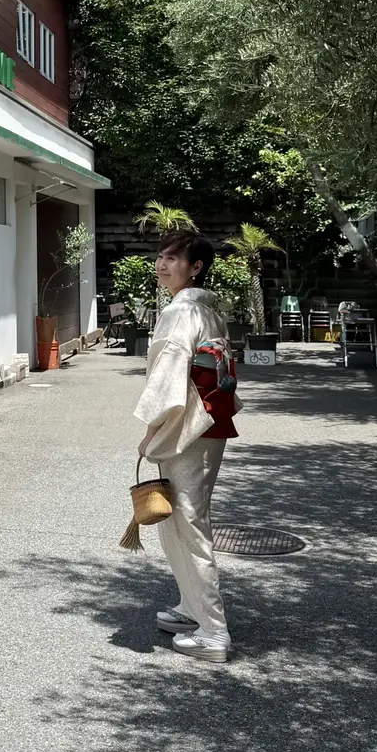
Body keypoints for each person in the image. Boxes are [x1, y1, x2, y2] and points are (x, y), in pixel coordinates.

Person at [135, 230, 240, 663]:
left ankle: (213, 632)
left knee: (188, 525)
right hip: (209, 421)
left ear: (196, 267)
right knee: (178, 521)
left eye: (174, 258)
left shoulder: (181, 312)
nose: (162, 264)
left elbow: (169, 376)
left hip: (187, 426)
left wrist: (151, 430)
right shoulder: (206, 310)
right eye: (160, 256)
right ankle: (191, 607)